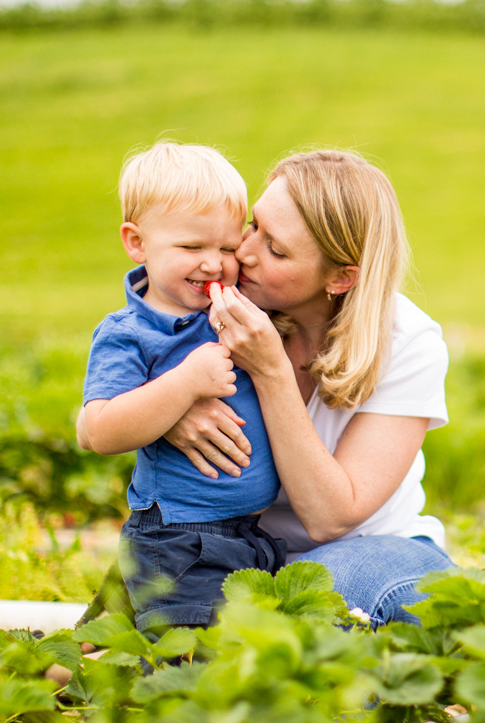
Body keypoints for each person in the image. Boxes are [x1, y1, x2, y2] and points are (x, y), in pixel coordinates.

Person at [165, 149, 455, 628]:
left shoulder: (407, 341)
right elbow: (102, 416)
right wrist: (173, 404)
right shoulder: (215, 306)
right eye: (253, 225)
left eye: (277, 250)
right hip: (240, 554)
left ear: (341, 278)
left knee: (321, 587)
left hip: (375, 552)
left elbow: (331, 517)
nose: (246, 253)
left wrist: (271, 371)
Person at [78, 142, 283, 634]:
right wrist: (186, 385)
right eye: (192, 248)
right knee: (190, 662)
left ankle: (67, 667)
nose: (214, 265)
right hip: (178, 537)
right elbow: (99, 431)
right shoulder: (129, 334)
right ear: (136, 242)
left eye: (228, 249)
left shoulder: (231, 309)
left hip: (245, 533)